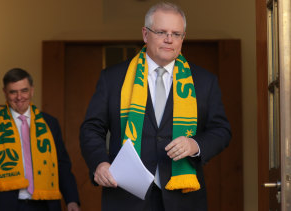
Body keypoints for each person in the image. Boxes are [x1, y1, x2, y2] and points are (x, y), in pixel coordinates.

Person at [80, 2, 231, 211]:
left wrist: (195, 145)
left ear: (183, 38)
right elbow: (91, 129)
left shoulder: (205, 81)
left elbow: (221, 131)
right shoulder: (113, 78)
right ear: (145, 34)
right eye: (161, 32)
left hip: (183, 199)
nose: (169, 39)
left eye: (176, 34)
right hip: (125, 197)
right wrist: (100, 163)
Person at [0, 68, 80, 211]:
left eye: (24, 90)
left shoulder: (50, 123)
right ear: (5, 92)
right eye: (13, 92)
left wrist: (72, 200)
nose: (19, 97)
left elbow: (62, 165)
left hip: (45, 204)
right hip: (6, 205)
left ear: (32, 91)